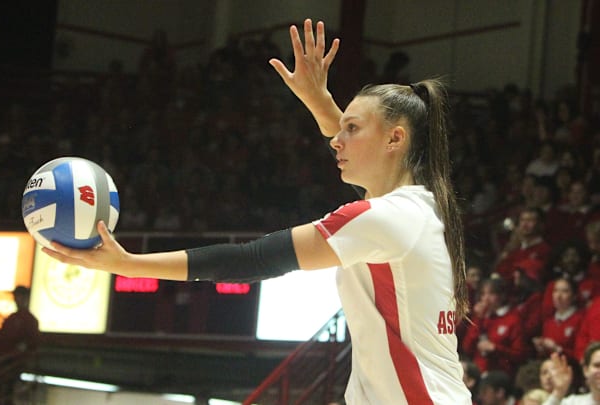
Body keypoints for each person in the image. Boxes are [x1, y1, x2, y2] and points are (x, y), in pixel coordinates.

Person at [42, 19, 472, 404]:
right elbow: (370, 159)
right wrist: (321, 103)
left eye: (352, 129)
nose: (336, 140)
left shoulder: (382, 219)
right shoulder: (422, 206)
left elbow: (251, 259)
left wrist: (128, 263)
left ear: (396, 139)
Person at [0, 286, 39, 354]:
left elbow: (32, 342)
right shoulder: (12, 318)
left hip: (17, 359)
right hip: (5, 356)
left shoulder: (30, 320)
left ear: (26, 298)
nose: (16, 299)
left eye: (19, 297)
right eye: (16, 297)